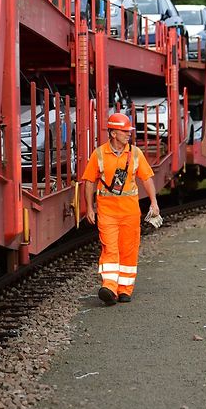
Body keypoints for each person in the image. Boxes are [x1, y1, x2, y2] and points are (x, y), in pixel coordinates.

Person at [81, 113, 160, 305]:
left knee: (128, 250)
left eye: (129, 132)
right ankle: (109, 286)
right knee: (110, 248)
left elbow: (147, 178)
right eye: (125, 132)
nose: (128, 135)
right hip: (107, 212)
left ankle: (125, 289)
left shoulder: (135, 154)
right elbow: (89, 181)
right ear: (114, 133)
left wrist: (154, 202)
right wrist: (89, 208)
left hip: (130, 213)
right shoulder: (99, 154)